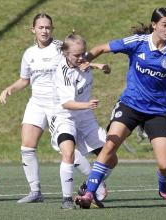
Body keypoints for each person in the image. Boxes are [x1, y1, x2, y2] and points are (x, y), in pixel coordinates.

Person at [75, 7, 166, 209]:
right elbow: (101, 48)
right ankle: (89, 193)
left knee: (165, 164)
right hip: (130, 105)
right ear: (154, 25)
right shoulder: (138, 43)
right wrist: (86, 59)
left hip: (157, 111)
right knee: (109, 146)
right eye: (164, 25)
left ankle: (164, 190)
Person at [0, 13, 108, 204]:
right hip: (37, 102)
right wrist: (10, 88)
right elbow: (25, 80)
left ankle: (95, 182)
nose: (44, 30)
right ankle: (35, 191)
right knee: (27, 145)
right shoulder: (29, 54)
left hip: (58, 103)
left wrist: (97, 65)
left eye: (48, 27)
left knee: (66, 149)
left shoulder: (61, 48)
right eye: (40, 27)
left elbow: (81, 60)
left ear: (52, 29)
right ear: (33, 29)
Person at [49, 33, 117, 209]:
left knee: (111, 158)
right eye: (76, 55)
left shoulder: (82, 60)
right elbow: (66, 103)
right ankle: (66, 199)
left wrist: (101, 66)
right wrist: (87, 104)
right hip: (65, 116)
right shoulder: (63, 72)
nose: (81, 58)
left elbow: (89, 58)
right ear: (65, 53)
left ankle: (87, 188)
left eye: (83, 53)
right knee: (68, 152)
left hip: (85, 117)